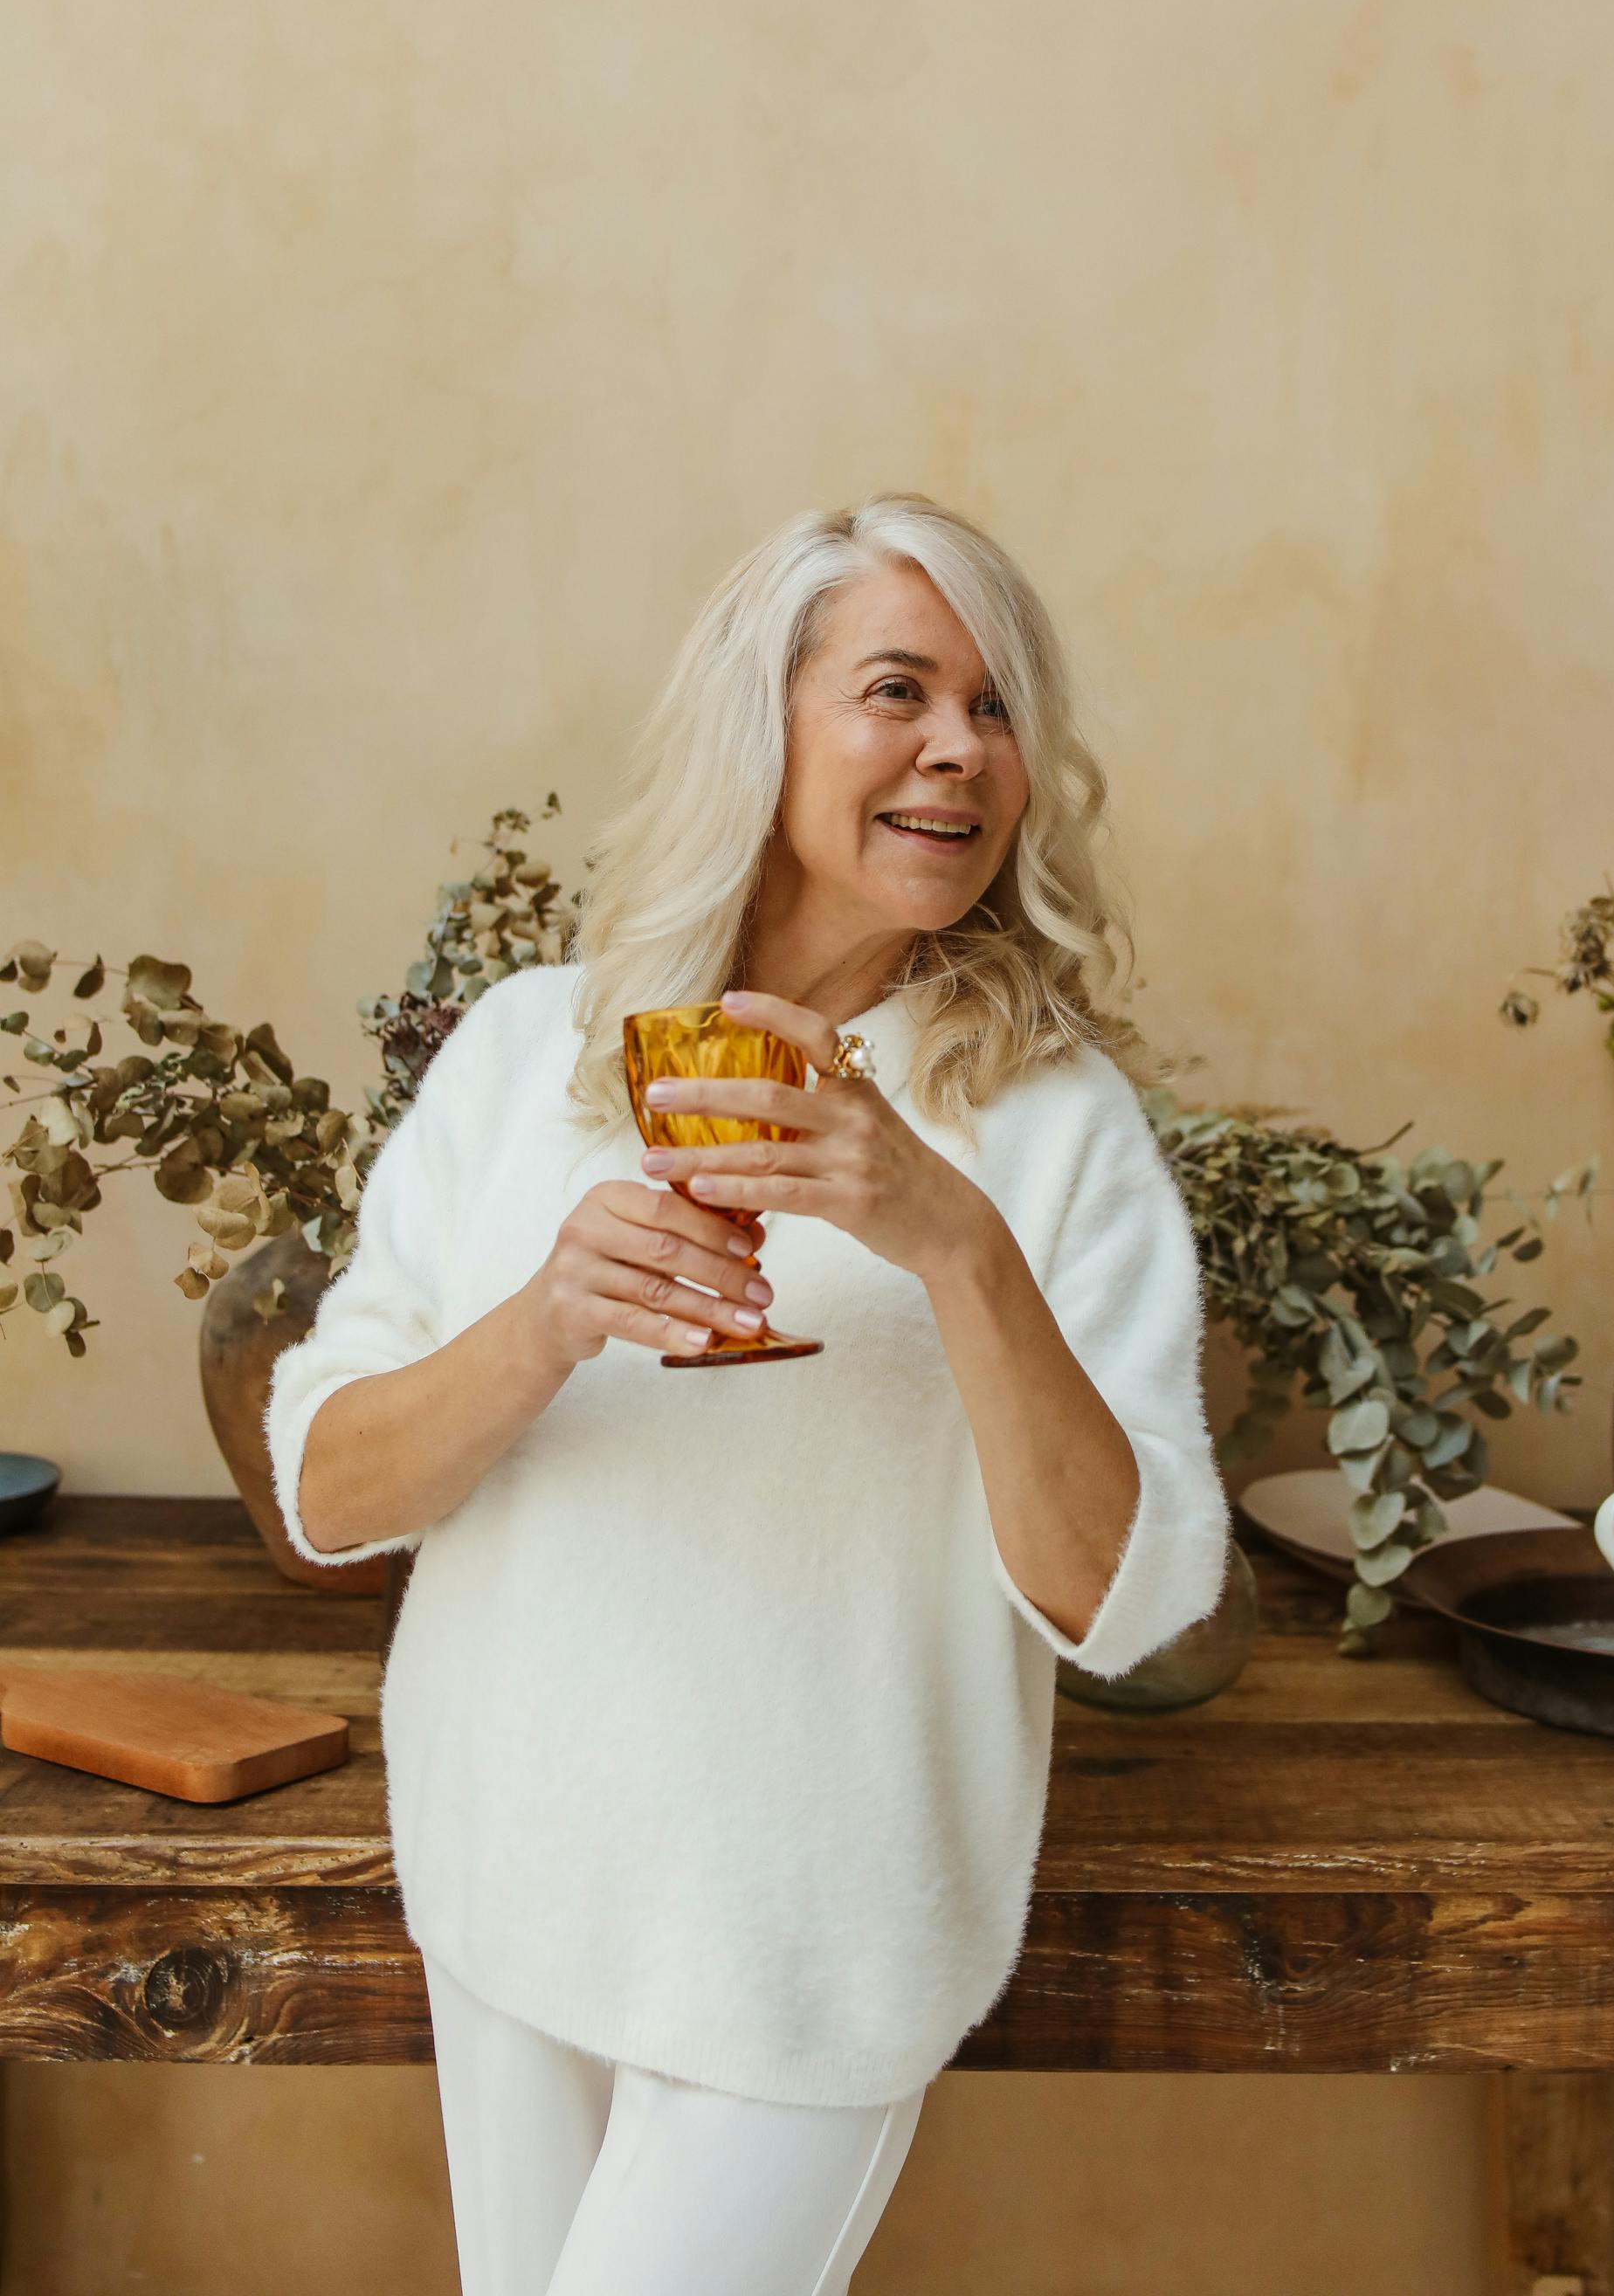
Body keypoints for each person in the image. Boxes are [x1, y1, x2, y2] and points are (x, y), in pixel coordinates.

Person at [263, 491, 1230, 2296]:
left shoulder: (1046, 1125)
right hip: (509, 1868)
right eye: (899, 690)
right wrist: (546, 1321)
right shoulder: (525, 1056)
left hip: (808, 1942)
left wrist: (950, 1240)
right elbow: (328, 1484)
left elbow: (1140, 1600)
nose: (961, 747)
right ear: (759, 725)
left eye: (999, 705)